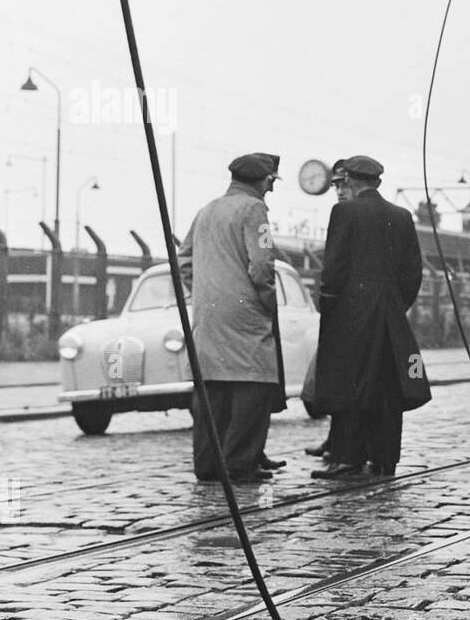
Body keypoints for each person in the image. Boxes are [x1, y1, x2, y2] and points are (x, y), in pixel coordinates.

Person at [311, 154, 432, 478]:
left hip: (350, 315)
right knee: (387, 387)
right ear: (377, 182)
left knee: (348, 382)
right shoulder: (402, 215)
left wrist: (329, 304)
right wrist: (395, 304)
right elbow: (412, 272)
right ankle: (384, 459)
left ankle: (348, 458)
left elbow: (334, 267)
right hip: (390, 315)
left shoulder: (344, 211)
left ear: (349, 180)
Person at [179, 153, 282, 484]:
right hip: (246, 311)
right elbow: (263, 263)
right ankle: (240, 464)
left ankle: (208, 466)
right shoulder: (254, 210)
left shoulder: (206, 210)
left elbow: (184, 259)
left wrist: (207, 292)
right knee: (254, 385)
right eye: (271, 183)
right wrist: (266, 301)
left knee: (213, 389)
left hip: (208, 314)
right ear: (264, 180)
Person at [304, 159, 355, 460]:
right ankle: (335, 440)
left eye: (343, 184)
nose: (338, 190)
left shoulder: (351, 215)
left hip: (350, 315)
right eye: (335, 185)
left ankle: (343, 445)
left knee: (348, 381)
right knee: (337, 379)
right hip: (340, 315)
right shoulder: (343, 214)